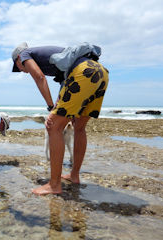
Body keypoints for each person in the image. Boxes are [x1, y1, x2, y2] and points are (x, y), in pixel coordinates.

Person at [12, 42, 109, 195]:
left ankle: (54, 185)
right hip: (100, 72)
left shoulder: (24, 54)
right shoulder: (61, 60)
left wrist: (51, 107)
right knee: (79, 126)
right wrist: (60, 110)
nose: (22, 70)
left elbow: (39, 77)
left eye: (19, 67)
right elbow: (66, 87)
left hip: (83, 72)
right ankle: (74, 175)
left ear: (18, 59)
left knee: (53, 126)